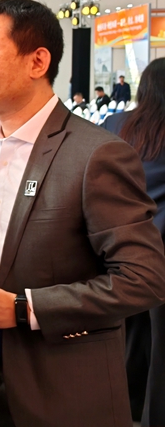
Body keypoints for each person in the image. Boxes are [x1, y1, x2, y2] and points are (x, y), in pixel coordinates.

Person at [0, 0, 165, 427]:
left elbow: (143, 279)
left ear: (38, 61)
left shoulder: (96, 153)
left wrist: (26, 308)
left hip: (63, 383)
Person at [104, 58, 165, 426]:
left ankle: (121, 411)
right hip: (161, 250)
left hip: (118, 248)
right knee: (160, 351)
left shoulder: (115, 125)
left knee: (127, 338)